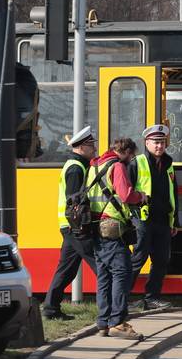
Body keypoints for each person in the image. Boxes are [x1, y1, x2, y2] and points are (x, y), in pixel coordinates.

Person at [89, 137, 145, 341]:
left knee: (104, 276)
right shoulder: (117, 166)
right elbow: (126, 195)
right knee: (122, 273)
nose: (132, 159)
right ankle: (118, 323)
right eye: (132, 155)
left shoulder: (95, 166)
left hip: (95, 226)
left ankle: (103, 323)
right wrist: (141, 196)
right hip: (112, 227)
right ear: (127, 152)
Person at [42, 127, 99, 321]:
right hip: (75, 227)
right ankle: (115, 304)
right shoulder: (76, 168)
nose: (94, 149)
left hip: (70, 227)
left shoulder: (77, 165)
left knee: (66, 270)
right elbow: (74, 203)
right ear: (81, 147)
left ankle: (50, 308)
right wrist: (81, 227)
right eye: (91, 145)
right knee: (100, 263)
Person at [130, 124, 179, 311]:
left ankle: (152, 298)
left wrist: (175, 221)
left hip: (163, 219)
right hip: (142, 219)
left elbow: (173, 194)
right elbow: (126, 193)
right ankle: (121, 298)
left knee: (161, 260)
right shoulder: (137, 162)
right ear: (146, 143)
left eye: (162, 142)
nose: (159, 146)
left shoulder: (168, 165)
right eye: (155, 142)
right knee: (138, 258)